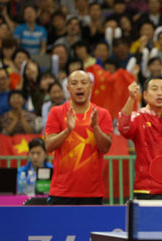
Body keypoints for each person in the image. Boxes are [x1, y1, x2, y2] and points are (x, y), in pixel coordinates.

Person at [45, 70, 113, 205]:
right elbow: (49, 146)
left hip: (92, 193)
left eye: (84, 83)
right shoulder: (56, 112)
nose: (79, 87)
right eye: (74, 83)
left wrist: (95, 127)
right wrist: (68, 130)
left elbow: (105, 148)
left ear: (90, 86)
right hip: (61, 192)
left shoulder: (102, 113)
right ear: (68, 88)